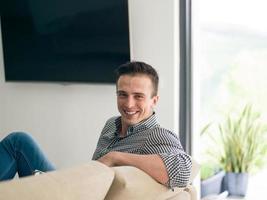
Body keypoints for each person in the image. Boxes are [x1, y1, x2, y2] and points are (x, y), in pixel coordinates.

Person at [0, 61, 191, 188]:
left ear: (154, 101)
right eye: (122, 94)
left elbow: (183, 170)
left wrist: (115, 157)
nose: (129, 104)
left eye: (138, 96)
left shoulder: (157, 135)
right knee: (18, 142)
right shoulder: (111, 125)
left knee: (18, 142)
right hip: (79, 187)